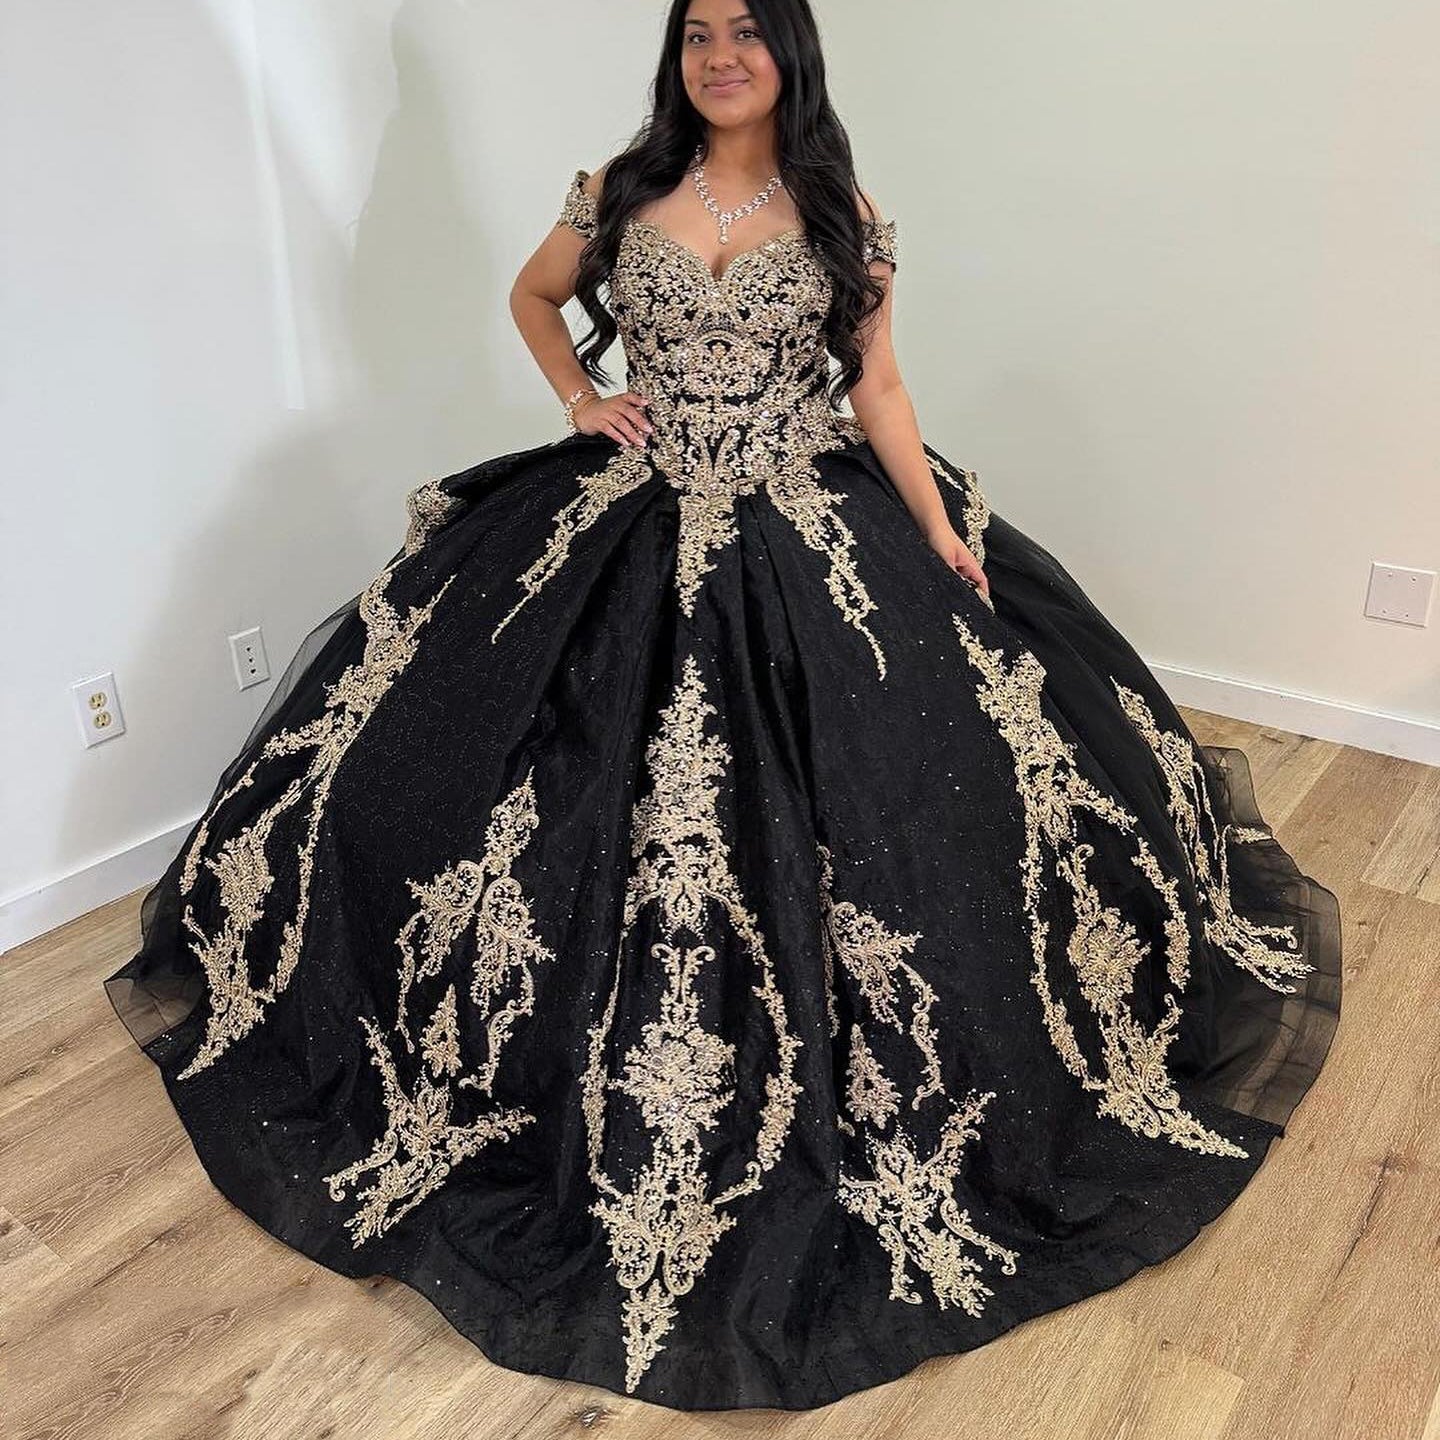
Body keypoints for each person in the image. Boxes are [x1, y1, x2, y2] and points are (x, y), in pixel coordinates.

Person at [104, 0, 1343, 1413]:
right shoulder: (620, 186)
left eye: (747, 32)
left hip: (807, 521)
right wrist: (582, 397)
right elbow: (531, 297)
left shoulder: (843, 212)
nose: (721, 56)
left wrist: (937, 531)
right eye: (698, 33)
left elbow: (880, 386)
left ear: (789, 53)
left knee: (900, 804)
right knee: (489, 784)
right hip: (631, 512)